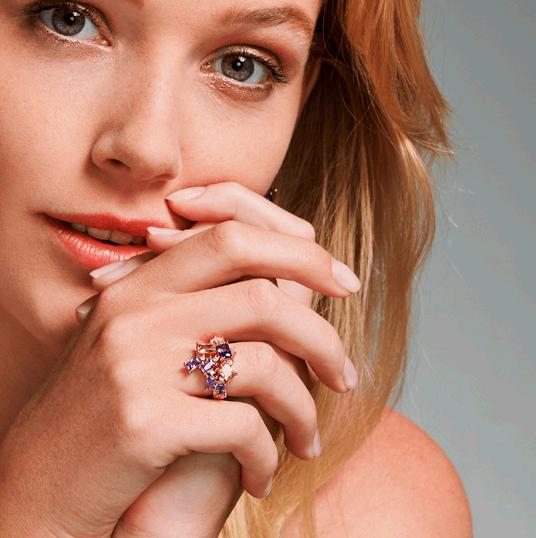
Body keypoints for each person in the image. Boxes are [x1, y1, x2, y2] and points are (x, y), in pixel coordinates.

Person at [0, 0, 472, 536]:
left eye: (240, 66)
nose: (147, 148)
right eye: (68, 20)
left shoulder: (371, 508)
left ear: (300, 104)